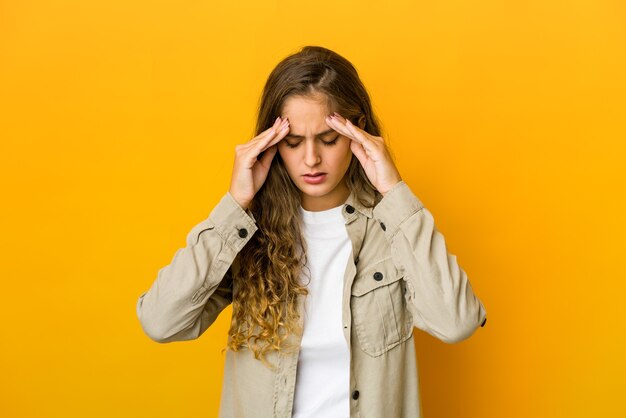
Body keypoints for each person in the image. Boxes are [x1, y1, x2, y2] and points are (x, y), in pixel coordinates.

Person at [136, 45, 487, 418]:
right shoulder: (247, 234)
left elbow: (456, 322)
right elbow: (161, 321)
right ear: (271, 142)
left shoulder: (391, 230)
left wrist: (394, 193)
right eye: (292, 142)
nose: (311, 159)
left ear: (357, 131)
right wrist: (235, 204)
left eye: (328, 139)